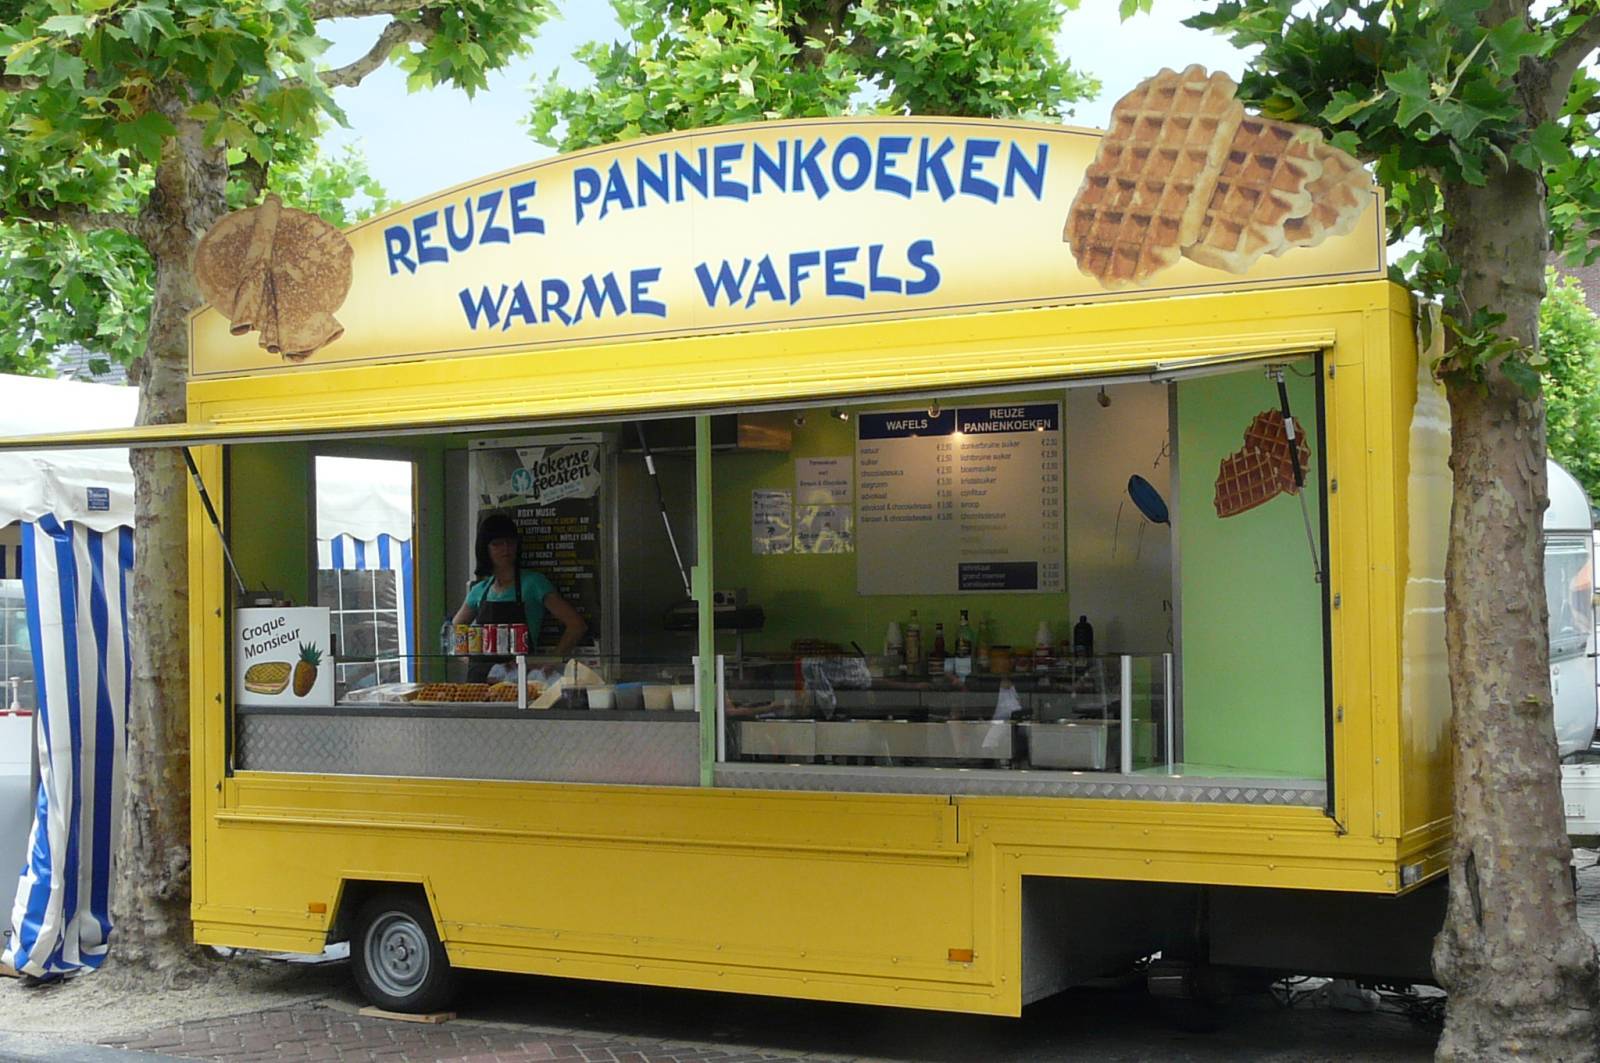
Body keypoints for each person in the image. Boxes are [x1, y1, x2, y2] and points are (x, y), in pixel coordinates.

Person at [454, 514, 587, 677]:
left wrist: (550, 661)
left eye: (510, 542)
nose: (506, 549)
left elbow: (576, 625)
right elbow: (456, 629)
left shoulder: (534, 583)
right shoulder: (479, 590)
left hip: (520, 678)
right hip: (480, 680)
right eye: (497, 544)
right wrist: (470, 660)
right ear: (485, 548)